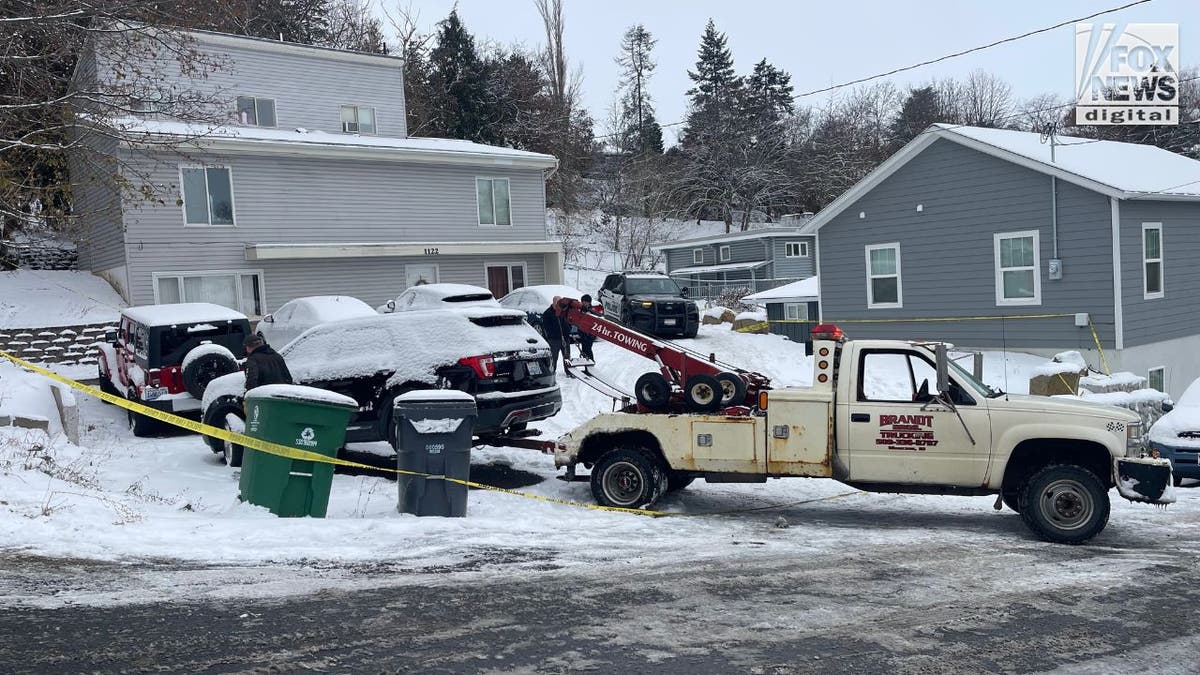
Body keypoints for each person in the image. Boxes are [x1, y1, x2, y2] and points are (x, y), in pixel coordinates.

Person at [540, 301, 571, 373]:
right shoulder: (548, 313)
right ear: (554, 303)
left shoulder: (564, 311)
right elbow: (547, 327)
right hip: (554, 339)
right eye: (559, 304)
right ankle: (552, 371)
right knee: (554, 357)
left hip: (565, 338)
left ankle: (569, 371)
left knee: (567, 356)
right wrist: (553, 335)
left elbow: (569, 321)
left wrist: (568, 330)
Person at [578, 294, 597, 361]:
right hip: (582, 333)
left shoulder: (592, 311)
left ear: (589, 302)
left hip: (590, 334)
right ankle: (587, 366)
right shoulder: (581, 309)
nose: (584, 303)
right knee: (584, 350)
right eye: (583, 301)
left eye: (585, 302)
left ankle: (591, 363)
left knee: (588, 349)